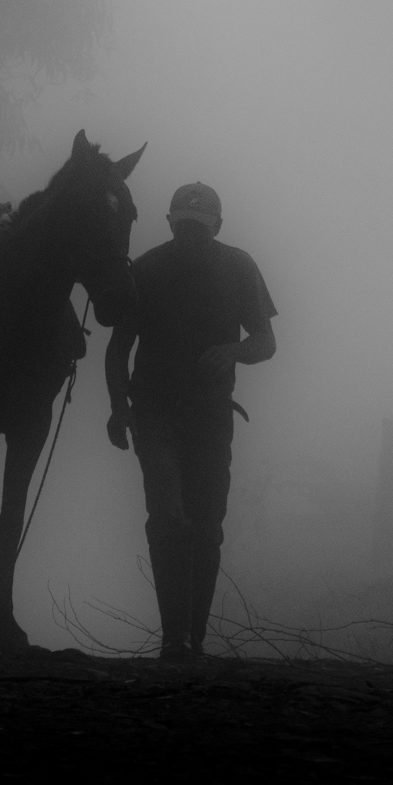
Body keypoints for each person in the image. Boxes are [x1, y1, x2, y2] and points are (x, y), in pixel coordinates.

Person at [105, 181, 277, 660]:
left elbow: (266, 340)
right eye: (183, 227)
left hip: (212, 416)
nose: (191, 236)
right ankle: (174, 638)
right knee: (167, 516)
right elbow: (118, 348)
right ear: (170, 224)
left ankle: (191, 639)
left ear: (218, 227)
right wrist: (119, 407)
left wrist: (233, 351)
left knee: (207, 525)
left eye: (199, 229)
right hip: (155, 415)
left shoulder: (239, 267)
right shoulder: (147, 270)